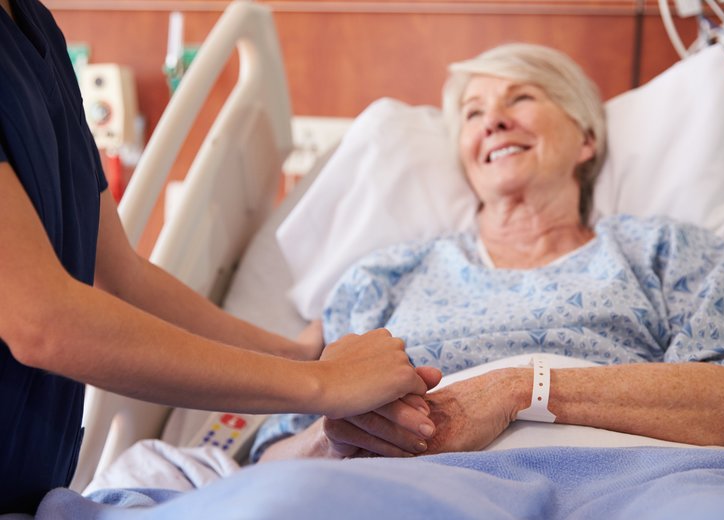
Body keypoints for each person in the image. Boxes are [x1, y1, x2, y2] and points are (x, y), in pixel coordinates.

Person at [0, 0, 439, 514]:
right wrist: (323, 385)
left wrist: (295, 356)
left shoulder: (34, 26)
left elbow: (120, 275)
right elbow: (42, 321)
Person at [252, 43, 724, 463]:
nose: (493, 121)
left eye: (521, 98)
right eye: (472, 113)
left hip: (635, 483)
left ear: (586, 140)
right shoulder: (385, 276)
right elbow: (274, 456)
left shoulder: (667, 250)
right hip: (415, 489)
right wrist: (333, 442)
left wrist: (521, 389)